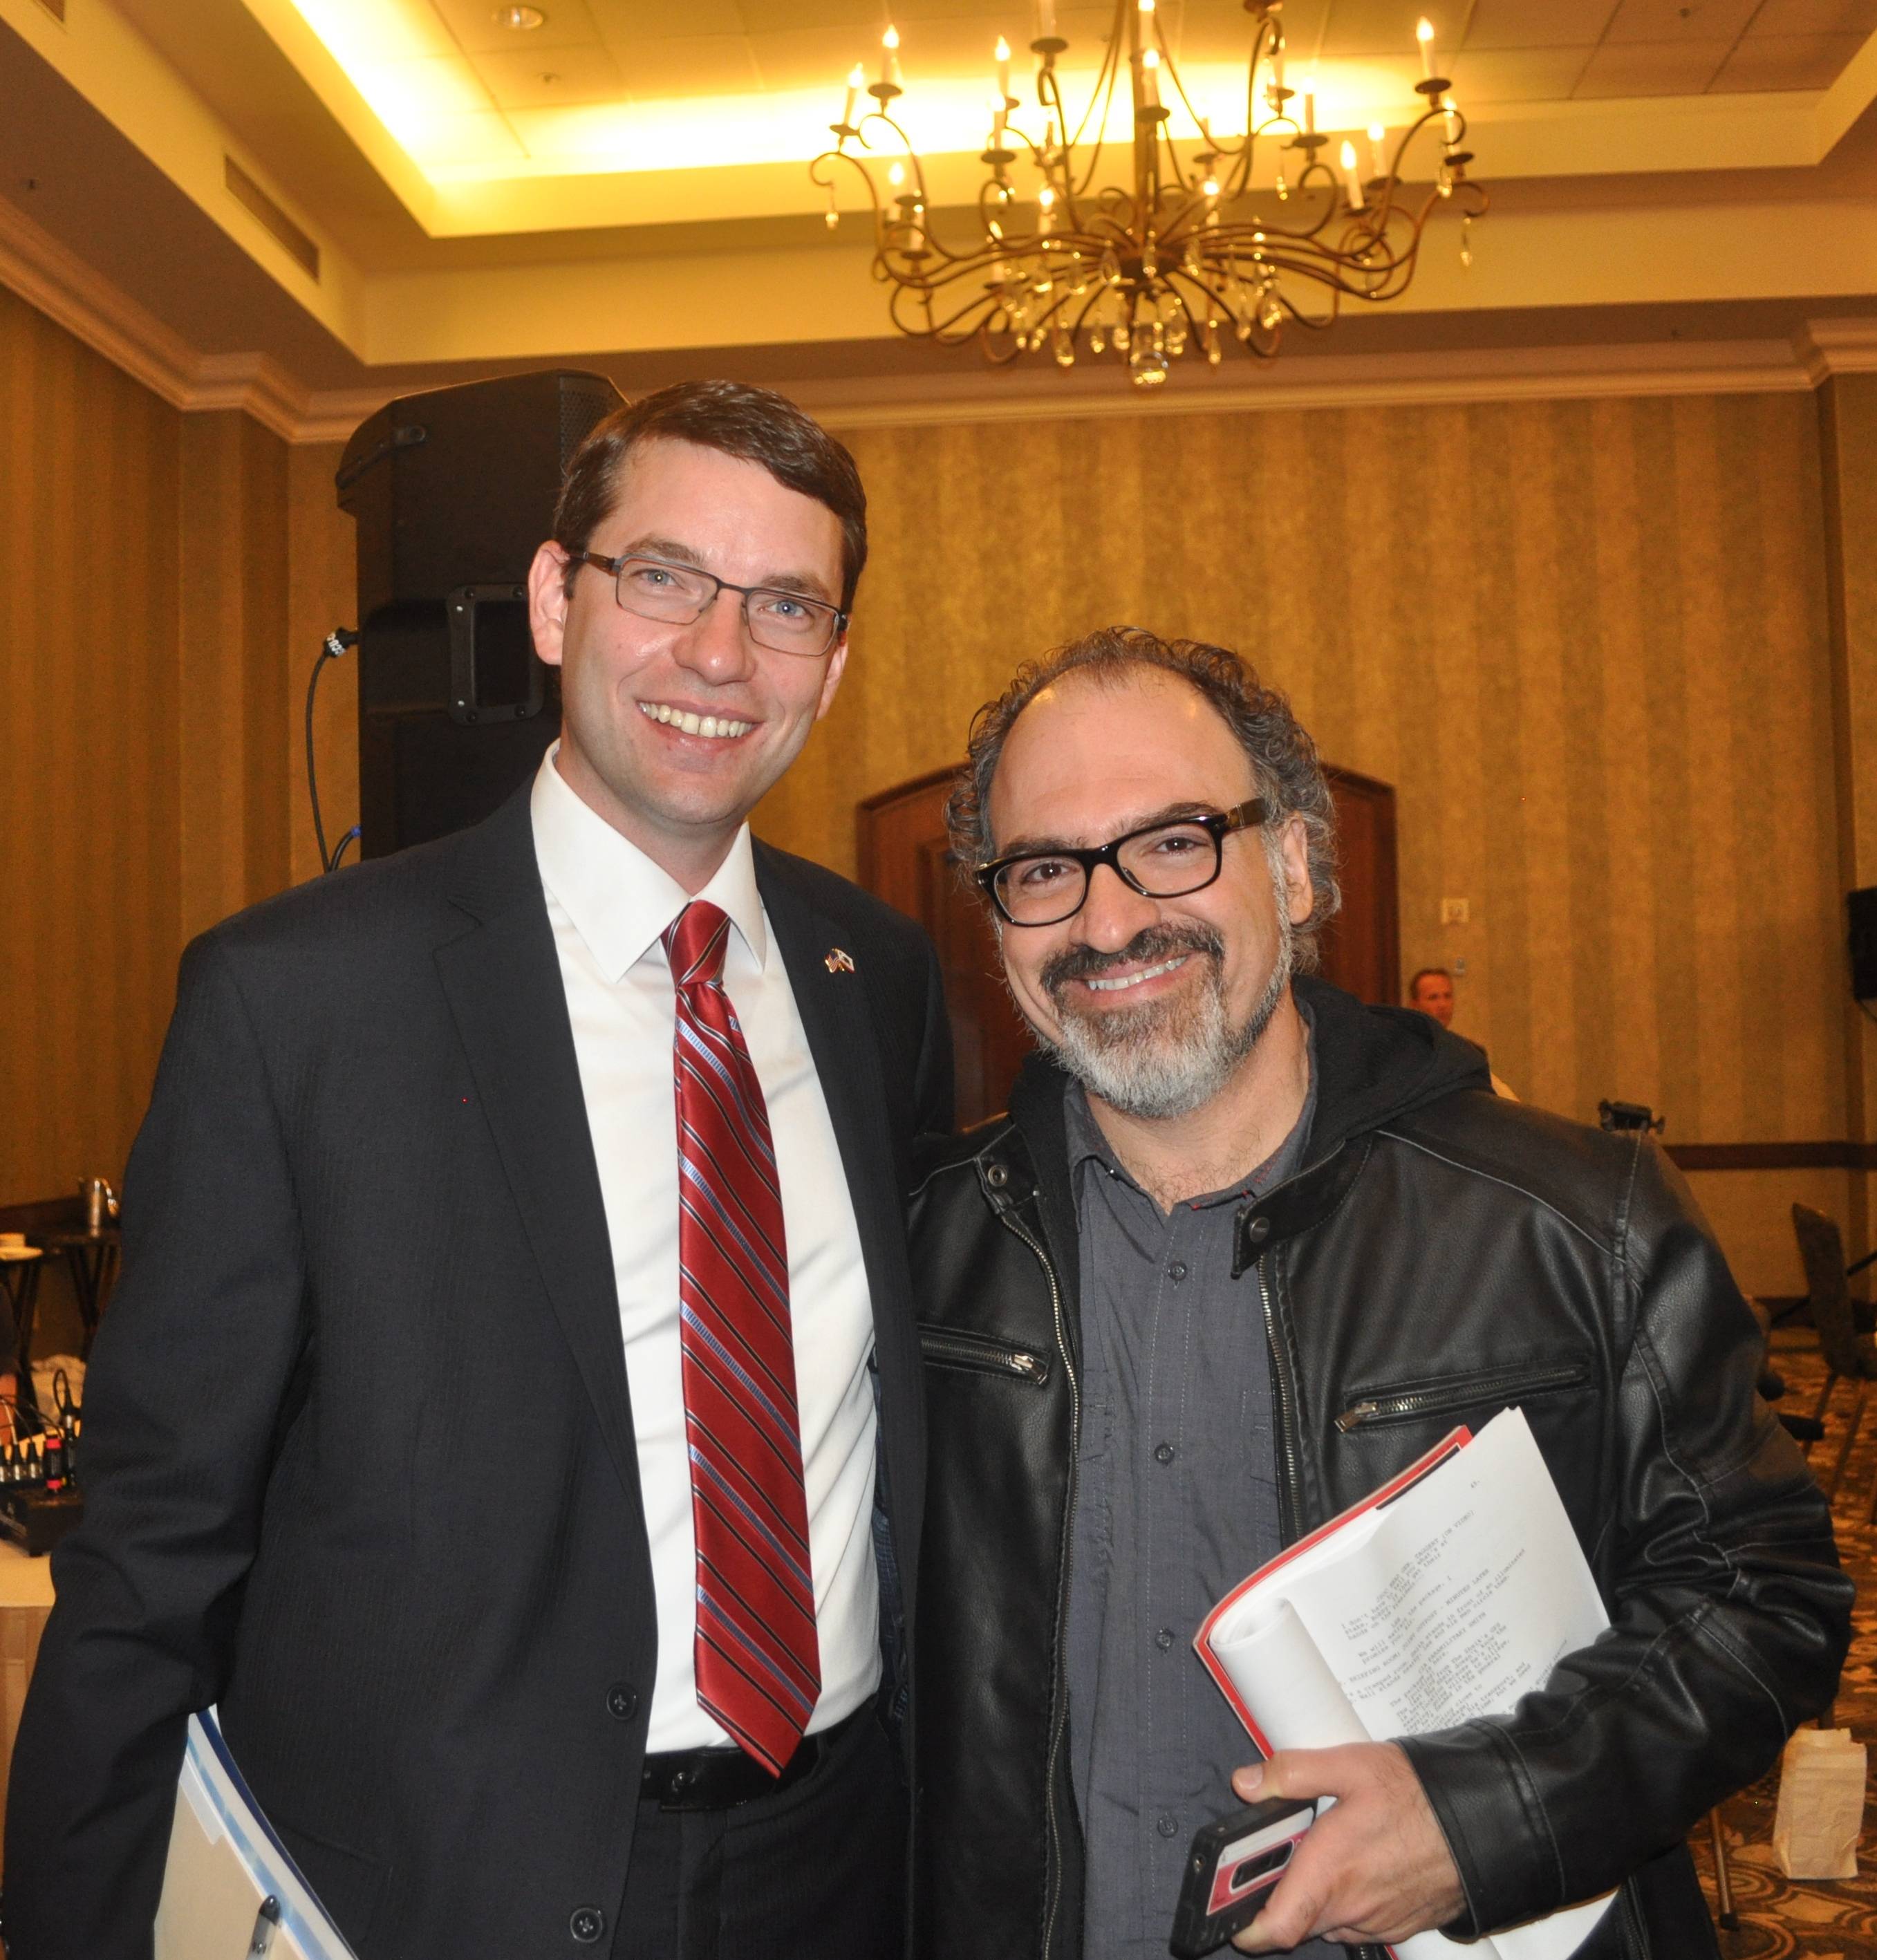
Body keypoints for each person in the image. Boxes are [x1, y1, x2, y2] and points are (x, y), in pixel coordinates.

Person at [8, 381, 953, 1960]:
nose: (722, 653)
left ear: (835, 661)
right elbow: (155, 1549)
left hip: (840, 1862)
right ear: (552, 601)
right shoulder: (298, 1000)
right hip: (452, 1883)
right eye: (665, 577)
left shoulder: (882, 979)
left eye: (786, 604)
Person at [906, 626, 1847, 1960]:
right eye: (1046, 869)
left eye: (1174, 842)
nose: (1108, 923)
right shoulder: (919, 1246)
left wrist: (1485, 1818)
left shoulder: (1575, 1222)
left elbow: (1765, 1594)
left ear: (1293, 866)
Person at [1408, 964, 1518, 1100]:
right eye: (1433, 997)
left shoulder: (1470, 1052)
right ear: (1414, 1005)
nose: (1442, 1005)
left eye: (1447, 996)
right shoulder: (1407, 1053)